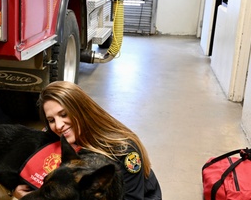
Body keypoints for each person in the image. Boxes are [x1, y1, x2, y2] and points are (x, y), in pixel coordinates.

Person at [14, 81, 162, 200]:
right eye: (51, 120)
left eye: (64, 114)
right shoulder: (55, 138)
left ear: (82, 110)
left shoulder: (123, 150)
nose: (58, 125)